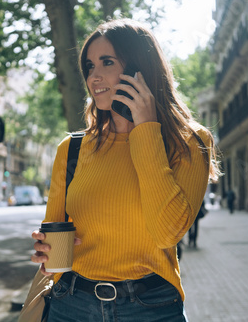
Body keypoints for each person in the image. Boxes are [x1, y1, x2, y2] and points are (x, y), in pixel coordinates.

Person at [30, 19, 220, 322]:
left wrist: (145, 129)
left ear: (139, 68)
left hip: (150, 308)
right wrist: (46, 253)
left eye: (107, 62)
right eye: (90, 66)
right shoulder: (72, 149)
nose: (95, 76)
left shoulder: (189, 142)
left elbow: (168, 233)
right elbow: (54, 236)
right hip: (71, 305)